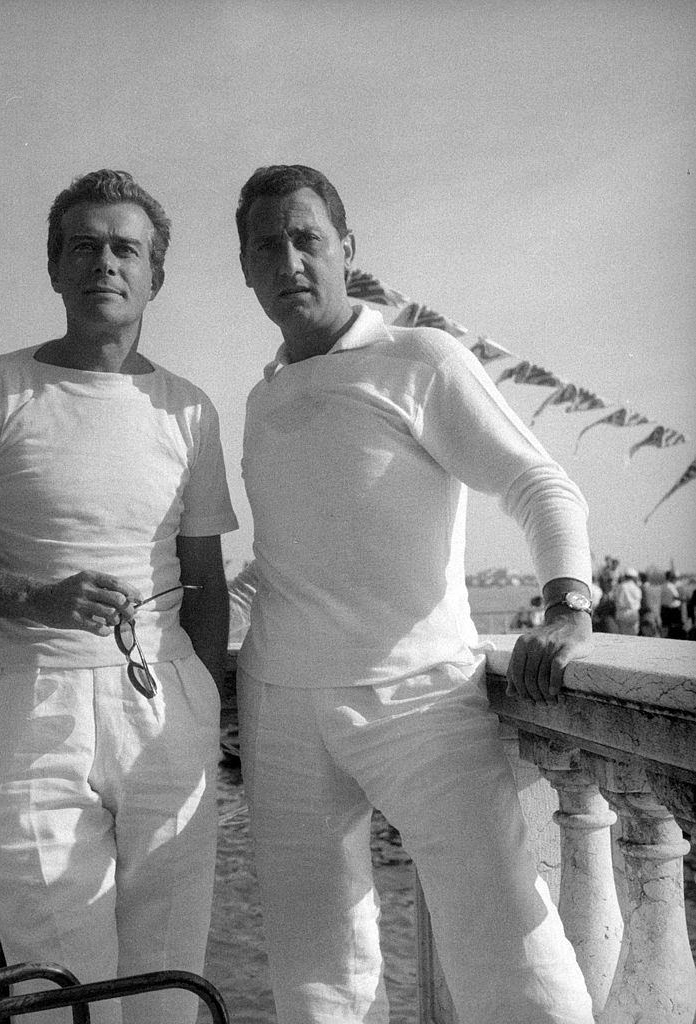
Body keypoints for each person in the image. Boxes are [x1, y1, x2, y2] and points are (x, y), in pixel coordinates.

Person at [233, 164, 595, 1024]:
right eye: (264, 246)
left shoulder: (420, 358)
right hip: (281, 708)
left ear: (345, 248)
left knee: (507, 948)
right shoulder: (262, 395)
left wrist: (567, 606)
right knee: (316, 976)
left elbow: (540, 485)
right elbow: (278, 559)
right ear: (245, 270)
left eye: (304, 237)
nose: (287, 260)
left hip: (421, 701)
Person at [0, 169, 237, 1024]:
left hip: (163, 705)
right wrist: (36, 597)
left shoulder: (189, 412)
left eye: (126, 248)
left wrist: (205, 702)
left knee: (166, 979)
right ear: (54, 268)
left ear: (154, 275)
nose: (104, 263)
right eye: (82, 245)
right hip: (30, 708)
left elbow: (204, 582)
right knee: (58, 979)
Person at [612, 568, 643, 635]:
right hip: (634, 613)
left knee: (623, 636)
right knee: (633, 636)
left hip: (622, 614)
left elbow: (616, 600)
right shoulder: (637, 588)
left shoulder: (620, 586)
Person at [660, 568, 685, 639]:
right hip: (672, 611)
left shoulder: (663, 585)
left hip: (665, 609)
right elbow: (676, 597)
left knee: (666, 627)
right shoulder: (671, 586)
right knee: (674, 629)